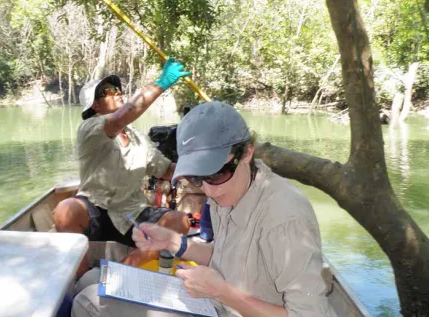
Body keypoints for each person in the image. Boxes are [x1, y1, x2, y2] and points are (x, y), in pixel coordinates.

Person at [71, 101, 334, 317]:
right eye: (197, 178)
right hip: (214, 303)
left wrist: (222, 293)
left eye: (217, 173)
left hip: (227, 305)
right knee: (88, 281)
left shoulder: (285, 214)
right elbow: (225, 256)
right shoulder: (231, 190)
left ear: (246, 153)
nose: (208, 191)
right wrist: (175, 244)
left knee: (87, 302)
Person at [52, 57, 192, 276]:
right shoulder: (89, 129)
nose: (116, 92)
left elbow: (165, 170)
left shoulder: (138, 138)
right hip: (95, 207)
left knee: (179, 221)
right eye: (106, 91)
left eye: (116, 88)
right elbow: (122, 116)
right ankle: (79, 279)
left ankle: (124, 272)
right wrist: (162, 83)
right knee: (65, 211)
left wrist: (199, 164)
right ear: (95, 105)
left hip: (133, 211)